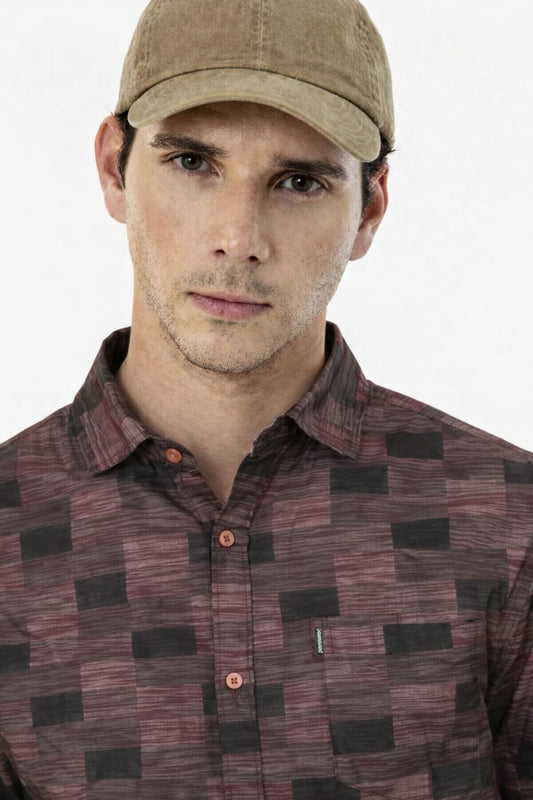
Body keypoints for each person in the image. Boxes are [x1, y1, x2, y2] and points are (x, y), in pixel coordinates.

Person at [0, 0, 531, 797]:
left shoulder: (507, 519)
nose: (238, 236)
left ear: (370, 209)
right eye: (192, 164)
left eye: (298, 181)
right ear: (114, 167)